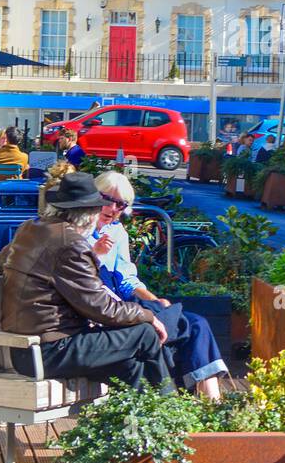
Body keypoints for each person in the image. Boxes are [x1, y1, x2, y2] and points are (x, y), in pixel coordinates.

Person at [0, 171, 174, 392]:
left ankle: (152, 418)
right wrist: (149, 316)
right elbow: (103, 308)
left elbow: (0, 263)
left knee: (130, 367)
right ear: (89, 214)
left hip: (26, 349)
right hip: (49, 351)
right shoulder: (71, 244)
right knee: (144, 333)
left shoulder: (30, 229)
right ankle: (171, 411)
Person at [89, 169, 229, 397]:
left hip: (127, 306)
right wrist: (94, 253)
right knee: (188, 326)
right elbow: (78, 280)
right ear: (92, 196)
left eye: (121, 205)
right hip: (106, 313)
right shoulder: (74, 233)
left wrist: (154, 300)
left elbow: (127, 281)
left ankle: (210, 406)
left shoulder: (117, 232)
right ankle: (205, 408)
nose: (113, 209)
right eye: (108, 200)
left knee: (196, 323)